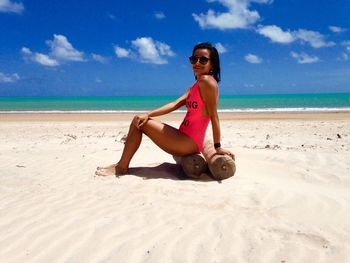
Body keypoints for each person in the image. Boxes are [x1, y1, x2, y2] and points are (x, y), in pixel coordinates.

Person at [95, 42, 234, 176]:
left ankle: (121, 167)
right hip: (183, 137)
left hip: (188, 142)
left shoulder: (207, 82)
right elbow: (174, 104)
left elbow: (213, 115)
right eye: (194, 59)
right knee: (141, 119)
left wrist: (218, 147)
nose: (197, 63)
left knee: (138, 122)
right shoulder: (196, 85)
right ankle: (122, 166)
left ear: (212, 64)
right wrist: (148, 114)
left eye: (203, 60)